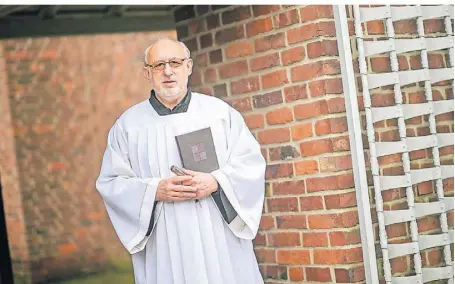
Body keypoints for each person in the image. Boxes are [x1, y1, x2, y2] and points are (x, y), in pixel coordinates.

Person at [95, 36, 266, 284]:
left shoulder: (219, 114)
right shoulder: (128, 126)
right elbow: (111, 183)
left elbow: (250, 164)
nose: (168, 72)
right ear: (147, 74)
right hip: (165, 240)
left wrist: (216, 181)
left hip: (217, 233)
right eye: (158, 65)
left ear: (188, 67)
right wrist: (154, 190)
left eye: (175, 62)